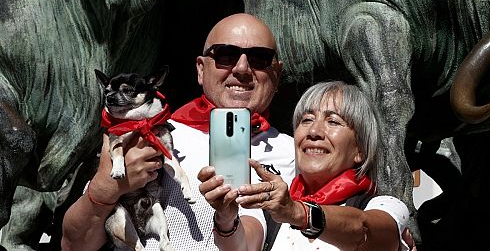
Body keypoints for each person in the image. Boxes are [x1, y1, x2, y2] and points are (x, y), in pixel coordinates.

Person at [61, 13, 295, 251]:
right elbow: (74, 245)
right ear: (201, 70)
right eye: (226, 55)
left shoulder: (295, 152)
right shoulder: (154, 133)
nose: (242, 68)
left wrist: (226, 219)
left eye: (260, 58)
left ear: (277, 73)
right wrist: (105, 187)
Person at [205, 80, 413, 250]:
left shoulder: (387, 205)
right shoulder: (275, 205)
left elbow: (365, 230)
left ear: (360, 150)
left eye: (333, 122)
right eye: (306, 120)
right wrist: (226, 217)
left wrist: (299, 213)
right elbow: (241, 247)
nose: (314, 131)